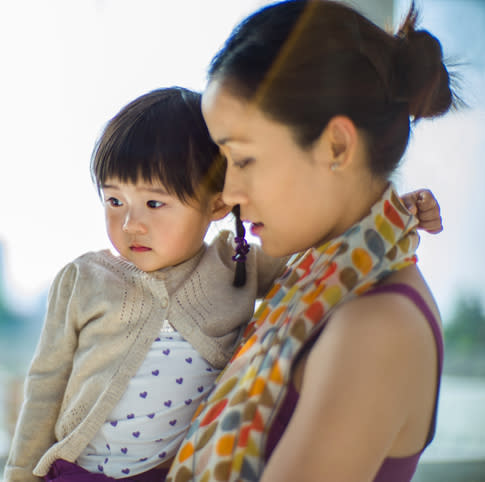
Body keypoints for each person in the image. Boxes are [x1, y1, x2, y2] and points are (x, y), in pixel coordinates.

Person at [3, 87, 441, 482]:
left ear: (216, 204)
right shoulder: (84, 279)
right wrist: (21, 474)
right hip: (78, 471)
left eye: (154, 202)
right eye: (114, 200)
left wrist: (398, 211)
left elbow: (324, 233)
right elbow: (45, 385)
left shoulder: (238, 263)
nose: (130, 224)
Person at [166, 1, 454, 481]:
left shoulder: (377, 327)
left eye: (244, 159)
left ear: (336, 147)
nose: (229, 193)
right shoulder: (314, 281)